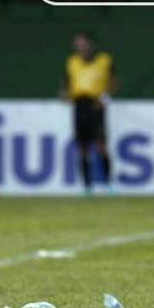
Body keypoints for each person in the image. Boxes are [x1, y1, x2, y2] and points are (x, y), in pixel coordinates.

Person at [62, 32, 116, 193]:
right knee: (82, 147)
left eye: (83, 43)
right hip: (79, 105)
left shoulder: (104, 61)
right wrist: (65, 94)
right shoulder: (72, 62)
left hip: (96, 105)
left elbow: (114, 83)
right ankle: (87, 186)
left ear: (91, 44)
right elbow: (66, 83)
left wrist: (105, 100)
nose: (81, 46)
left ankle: (108, 184)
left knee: (100, 146)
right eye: (78, 43)